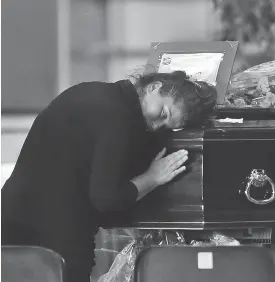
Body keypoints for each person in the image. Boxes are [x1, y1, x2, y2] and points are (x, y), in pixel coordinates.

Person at [1, 70, 217, 281]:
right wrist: (153, 177)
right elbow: (106, 199)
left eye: (167, 127)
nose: (157, 126)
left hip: (12, 219)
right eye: (163, 114)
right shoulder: (118, 118)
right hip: (54, 242)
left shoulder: (95, 92)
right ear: (154, 87)